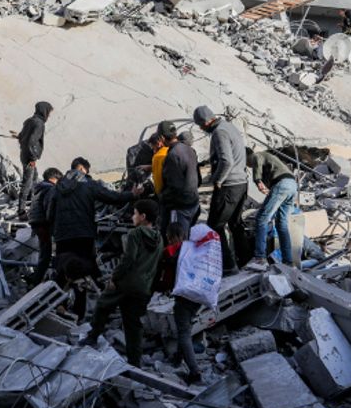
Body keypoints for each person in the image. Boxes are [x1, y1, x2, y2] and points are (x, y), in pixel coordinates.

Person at [50, 157, 139, 321]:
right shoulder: (87, 184)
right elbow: (111, 197)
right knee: (81, 271)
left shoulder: (58, 186)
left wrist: (54, 233)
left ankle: (56, 306)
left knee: (63, 271)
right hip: (83, 234)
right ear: (82, 168)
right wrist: (131, 195)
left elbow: (50, 212)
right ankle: (79, 313)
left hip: (63, 236)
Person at [83, 199, 162, 367]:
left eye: (135, 213)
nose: (133, 217)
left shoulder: (135, 234)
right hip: (143, 288)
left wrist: (114, 278)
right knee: (133, 324)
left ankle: (92, 337)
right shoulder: (159, 238)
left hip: (127, 282)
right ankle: (134, 361)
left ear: (143, 216)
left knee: (103, 305)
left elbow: (128, 260)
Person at [194, 106, 248, 274]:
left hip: (229, 185)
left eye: (201, 126)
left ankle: (228, 266)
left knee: (215, 225)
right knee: (235, 224)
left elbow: (226, 161)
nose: (202, 129)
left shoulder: (219, 132)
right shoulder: (229, 126)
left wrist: (217, 180)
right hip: (241, 183)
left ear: (206, 122)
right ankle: (246, 261)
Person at [154, 222, 204, 384]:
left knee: (183, 332)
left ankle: (195, 372)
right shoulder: (195, 249)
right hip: (200, 295)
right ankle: (177, 358)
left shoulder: (170, 252)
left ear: (171, 237)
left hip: (184, 297)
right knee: (186, 326)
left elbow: (166, 280)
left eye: (168, 237)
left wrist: (158, 287)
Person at [246, 147, 298, 270]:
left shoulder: (257, 155)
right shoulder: (269, 158)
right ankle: (288, 262)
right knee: (281, 224)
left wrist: (257, 181)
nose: (248, 165)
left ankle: (260, 258)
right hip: (292, 185)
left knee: (261, 218)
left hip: (282, 184)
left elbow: (256, 162)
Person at [157, 121, 199, 240]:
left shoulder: (172, 155)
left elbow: (174, 186)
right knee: (188, 238)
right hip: (194, 202)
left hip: (181, 206)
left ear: (161, 137)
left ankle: (179, 258)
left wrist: (161, 197)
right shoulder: (189, 149)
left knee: (179, 242)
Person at [17, 101, 53, 216]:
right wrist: (33, 158)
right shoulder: (39, 124)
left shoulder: (29, 121)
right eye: (49, 113)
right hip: (29, 157)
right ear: (44, 111)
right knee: (27, 183)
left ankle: (33, 205)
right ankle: (21, 211)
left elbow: (21, 137)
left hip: (24, 154)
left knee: (34, 179)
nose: (49, 116)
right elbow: (32, 142)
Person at [28, 167, 62, 286]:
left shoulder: (40, 188)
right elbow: (49, 209)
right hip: (43, 224)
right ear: (53, 179)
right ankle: (37, 282)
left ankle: (37, 280)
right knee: (46, 255)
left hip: (36, 223)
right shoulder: (50, 189)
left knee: (45, 253)